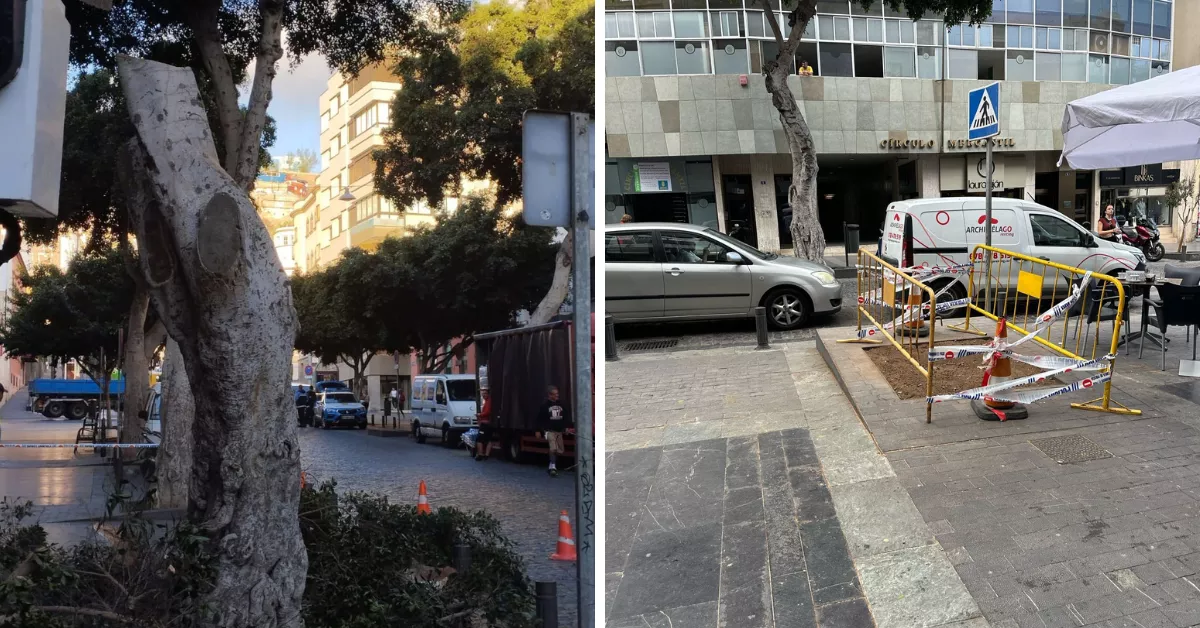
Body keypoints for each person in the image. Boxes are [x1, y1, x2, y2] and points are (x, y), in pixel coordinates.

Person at [536, 385, 572, 477]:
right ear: (549, 395)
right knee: (553, 448)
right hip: (549, 430)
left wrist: (567, 427)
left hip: (559, 431)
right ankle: (552, 467)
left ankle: (552, 464)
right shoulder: (544, 406)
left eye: (557, 394)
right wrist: (538, 430)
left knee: (560, 450)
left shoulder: (561, 404)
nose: (557, 396)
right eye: (554, 394)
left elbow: (565, 417)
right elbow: (539, 419)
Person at [474, 388, 493, 461]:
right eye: (483, 393)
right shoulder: (487, 401)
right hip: (488, 423)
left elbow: (488, 412)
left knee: (479, 439)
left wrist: (479, 415)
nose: (483, 395)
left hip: (485, 424)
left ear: (488, 394)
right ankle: (486, 455)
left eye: (485, 393)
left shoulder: (488, 402)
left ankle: (480, 454)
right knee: (489, 439)